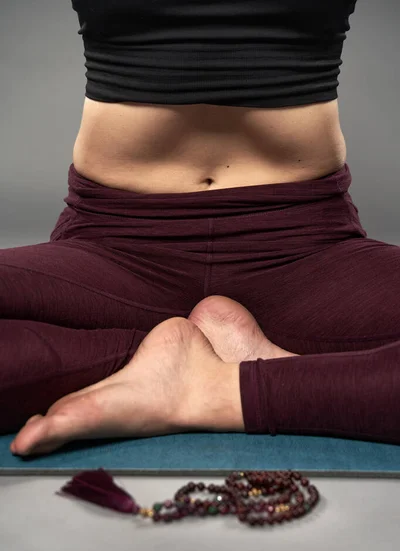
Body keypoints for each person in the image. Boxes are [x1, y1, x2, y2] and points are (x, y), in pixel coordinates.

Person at [3, 0, 400, 457]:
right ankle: (169, 360)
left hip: (305, 252)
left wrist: (218, 391)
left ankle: (206, 388)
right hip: (113, 248)